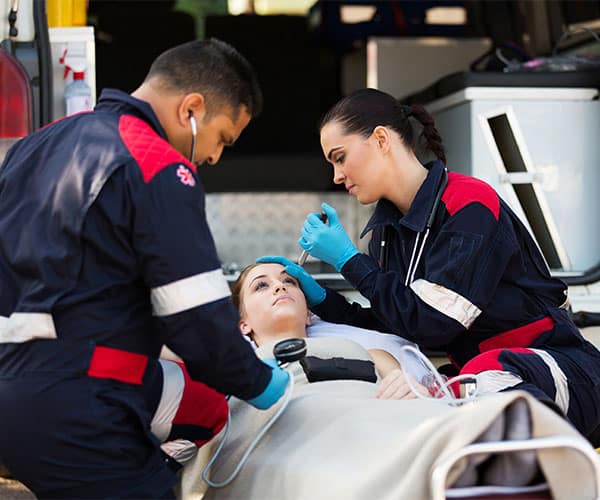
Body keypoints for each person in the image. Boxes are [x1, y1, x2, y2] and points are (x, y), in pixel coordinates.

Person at [0, 39, 289, 498]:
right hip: (80, 402)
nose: (213, 157)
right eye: (221, 139)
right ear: (191, 109)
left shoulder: (36, 145)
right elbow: (195, 316)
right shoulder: (156, 164)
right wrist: (264, 385)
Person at [259, 87, 600, 440]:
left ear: (380, 139)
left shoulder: (470, 204)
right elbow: (396, 322)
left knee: (472, 378)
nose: (336, 176)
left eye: (340, 157)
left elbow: (434, 323)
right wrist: (322, 300)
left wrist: (349, 261)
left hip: (559, 371)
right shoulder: (385, 233)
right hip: (480, 379)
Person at [231, 262, 429, 400]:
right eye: (261, 285)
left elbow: (423, 405)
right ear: (243, 325)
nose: (279, 286)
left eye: (289, 281)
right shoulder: (236, 375)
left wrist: (412, 390)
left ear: (308, 314)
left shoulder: (373, 356)